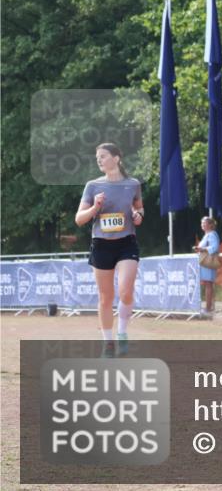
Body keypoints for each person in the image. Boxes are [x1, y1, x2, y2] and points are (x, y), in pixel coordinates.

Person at [74, 143, 144, 357]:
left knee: (126, 291)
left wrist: (138, 216)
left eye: (103, 156)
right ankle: (108, 343)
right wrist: (95, 207)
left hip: (126, 243)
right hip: (102, 244)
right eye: (97, 157)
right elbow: (79, 219)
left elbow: (139, 208)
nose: (99, 160)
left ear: (116, 158)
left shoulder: (133, 184)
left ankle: (122, 332)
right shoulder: (92, 186)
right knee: (106, 297)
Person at [194, 216, 221, 315]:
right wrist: (199, 249)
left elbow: (215, 247)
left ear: (210, 225)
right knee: (207, 284)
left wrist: (202, 249)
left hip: (209, 262)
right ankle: (209, 307)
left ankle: (208, 308)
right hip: (205, 262)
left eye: (204, 223)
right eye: (201, 223)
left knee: (209, 284)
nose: (202, 224)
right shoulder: (207, 235)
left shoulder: (212, 234)